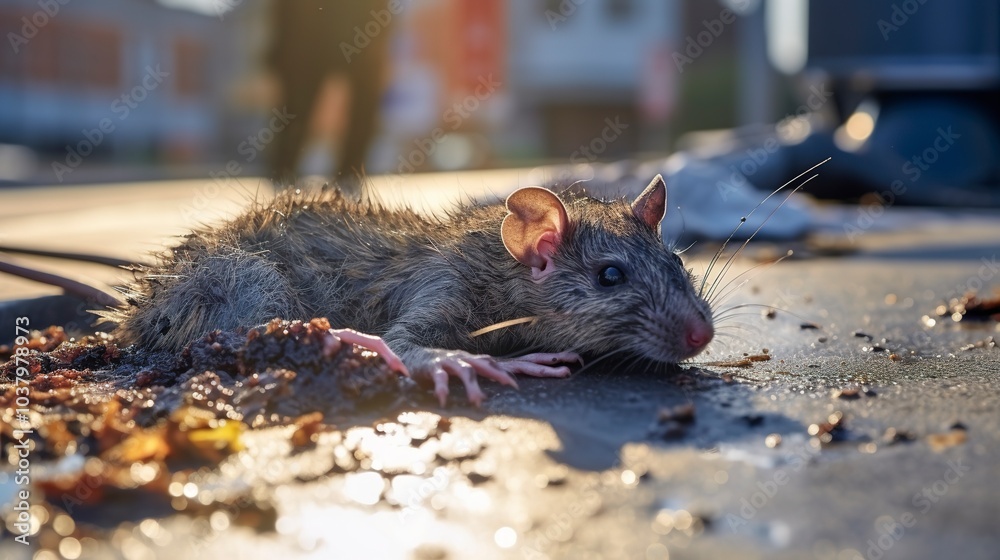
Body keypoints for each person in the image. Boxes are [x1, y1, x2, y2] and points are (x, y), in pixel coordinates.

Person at [265, 0, 392, 193]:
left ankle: (350, 176)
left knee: (362, 107)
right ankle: (283, 174)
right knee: (296, 109)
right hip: (309, 37)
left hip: (360, 32)